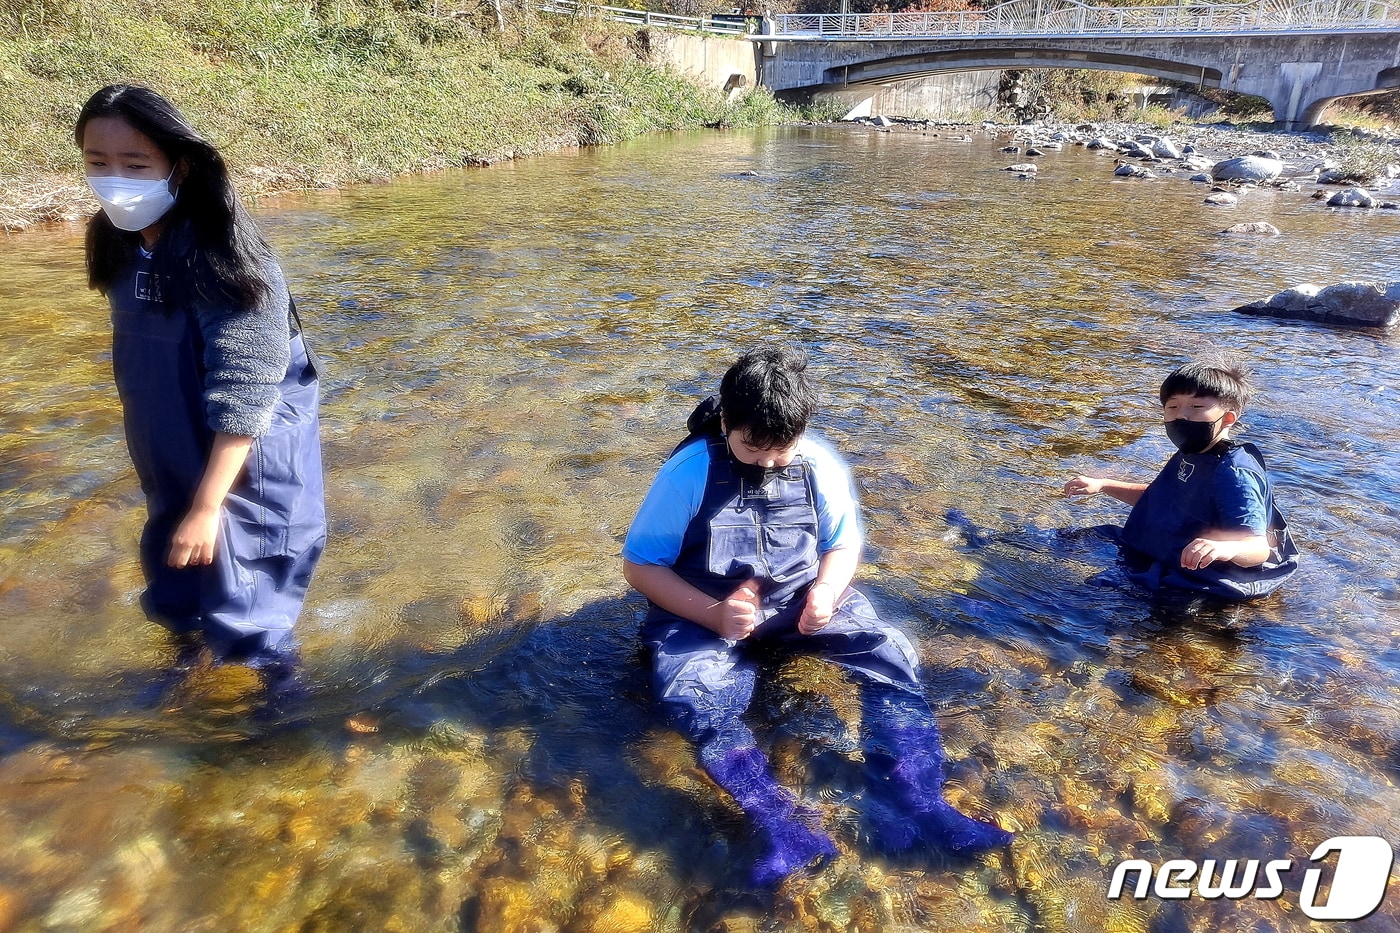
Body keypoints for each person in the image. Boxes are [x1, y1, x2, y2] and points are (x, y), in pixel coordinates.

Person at [622, 346, 1011, 889]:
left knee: (890, 658)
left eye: (781, 451)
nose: (766, 463)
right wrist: (713, 615)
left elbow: (842, 543)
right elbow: (640, 566)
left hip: (801, 597)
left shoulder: (818, 464)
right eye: (751, 448)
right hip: (702, 608)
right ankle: (786, 827)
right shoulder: (688, 472)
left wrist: (827, 592)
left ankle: (923, 803)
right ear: (727, 422)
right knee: (698, 702)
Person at [75, 85, 327, 677]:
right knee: (176, 572)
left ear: (179, 166)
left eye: (135, 165)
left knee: (252, 585)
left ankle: (279, 718)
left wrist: (209, 505)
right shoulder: (114, 238)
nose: (115, 179)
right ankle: (186, 676)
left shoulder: (227, 253)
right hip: (171, 440)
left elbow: (247, 387)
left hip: (250, 449)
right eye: (97, 163)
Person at [1064, 360, 1298, 600]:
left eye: (1196, 407)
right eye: (1173, 407)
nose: (1181, 417)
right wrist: (1104, 485)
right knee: (1066, 540)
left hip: (1210, 577)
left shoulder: (1234, 473)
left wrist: (1225, 548)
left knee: (1085, 597)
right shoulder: (1193, 452)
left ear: (1227, 419)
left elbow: (1258, 548)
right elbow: (1161, 500)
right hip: (1172, 552)